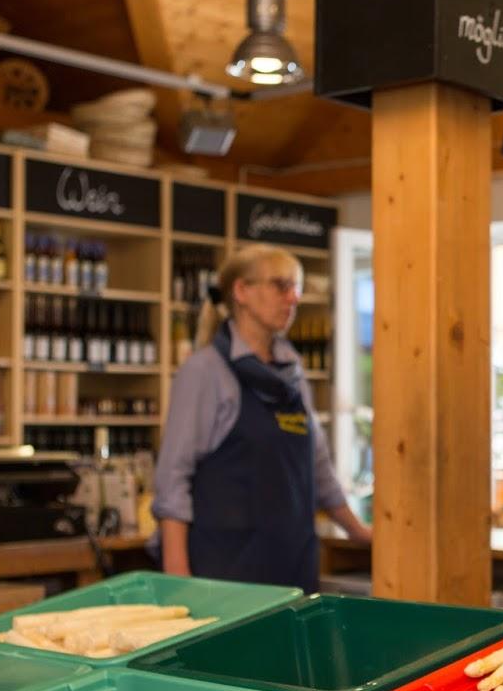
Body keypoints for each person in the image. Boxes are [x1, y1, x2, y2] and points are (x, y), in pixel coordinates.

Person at [153, 243, 371, 592]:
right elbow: (173, 480)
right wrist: (177, 577)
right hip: (226, 573)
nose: (294, 299)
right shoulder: (205, 371)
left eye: (296, 288)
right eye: (281, 286)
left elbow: (319, 468)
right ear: (242, 291)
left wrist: (358, 531)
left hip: (293, 566)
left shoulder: (293, 371)